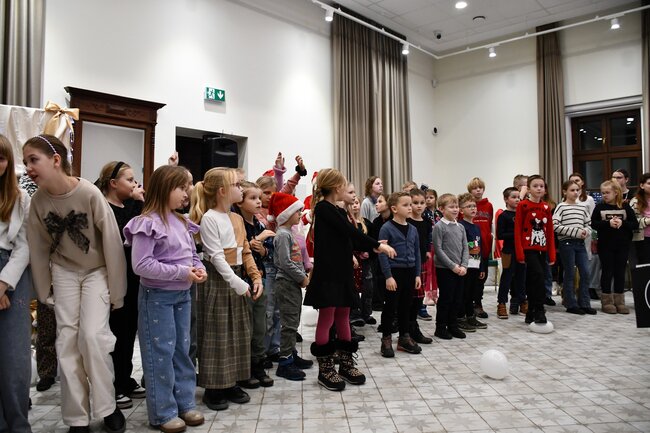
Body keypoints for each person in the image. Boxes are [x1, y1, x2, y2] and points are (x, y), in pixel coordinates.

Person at [25, 134, 126, 433]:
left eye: (34, 160)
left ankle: (107, 407)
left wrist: (117, 291)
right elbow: (38, 246)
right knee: (66, 342)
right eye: (26, 161)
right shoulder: (38, 201)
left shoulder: (89, 193)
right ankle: (76, 418)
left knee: (93, 338)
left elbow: (112, 241)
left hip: (96, 271)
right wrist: (44, 289)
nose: (28, 167)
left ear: (56, 160)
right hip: (64, 271)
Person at [124, 165, 205, 432]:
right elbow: (141, 265)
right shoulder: (147, 223)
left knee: (182, 349)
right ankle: (163, 411)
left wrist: (198, 268)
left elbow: (191, 255)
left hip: (183, 294)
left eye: (188, 186)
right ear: (164, 188)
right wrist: (182, 272)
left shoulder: (181, 221)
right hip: (157, 297)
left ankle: (185, 403)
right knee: (161, 352)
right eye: (181, 187)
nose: (187, 192)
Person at [305, 169, 395, 391]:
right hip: (328, 276)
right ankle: (325, 369)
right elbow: (349, 232)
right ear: (337, 188)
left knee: (344, 316)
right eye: (346, 186)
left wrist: (371, 246)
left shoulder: (337, 210)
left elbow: (349, 239)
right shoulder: (324, 209)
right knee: (327, 317)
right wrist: (377, 245)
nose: (350, 192)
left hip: (343, 273)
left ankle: (345, 364)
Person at [190, 168, 263, 410]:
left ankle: (232, 381)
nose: (240, 189)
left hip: (236, 278)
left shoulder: (237, 219)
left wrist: (255, 277)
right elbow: (217, 257)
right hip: (219, 280)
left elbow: (245, 251)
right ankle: (214, 387)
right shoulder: (210, 218)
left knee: (238, 331)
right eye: (236, 185)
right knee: (217, 333)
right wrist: (238, 283)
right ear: (222, 191)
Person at [96, 161, 146, 409]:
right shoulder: (103, 207)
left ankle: (125, 379)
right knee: (114, 333)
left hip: (133, 278)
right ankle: (113, 385)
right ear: (113, 183)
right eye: (130, 180)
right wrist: (137, 203)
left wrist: (138, 203)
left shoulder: (132, 206)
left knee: (128, 332)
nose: (135, 184)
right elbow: (122, 235)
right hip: (112, 278)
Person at [0, 134, 32, 433]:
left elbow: (24, 246)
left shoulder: (20, 198)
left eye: (1, 158)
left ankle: (19, 424)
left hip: (13, 271)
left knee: (14, 356)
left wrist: (3, 283)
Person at [233, 181, 275, 388]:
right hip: (243, 282)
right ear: (240, 202)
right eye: (253, 198)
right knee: (246, 327)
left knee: (260, 325)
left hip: (261, 279)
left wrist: (263, 249)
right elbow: (237, 250)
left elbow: (268, 252)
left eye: (259, 198)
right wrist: (257, 240)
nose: (259, 202)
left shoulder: (260, 224)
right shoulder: (236, 223)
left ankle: (258, 364)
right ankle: (245, 368)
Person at [267, 192, 313, 380]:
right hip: (286, 283)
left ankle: (291, 354)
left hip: (292, 282)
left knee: (294, 320)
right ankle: (285, 363)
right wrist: (302, 277)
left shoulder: (288, 233)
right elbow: (285, 262)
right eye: (297, 211)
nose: (300, 214)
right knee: (289, 323)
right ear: (286, 214)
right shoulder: (282, 235)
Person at [378, 192, 422, 357]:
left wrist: (417, 274)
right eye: (406, 205)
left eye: (410, 205)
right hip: (394, 273)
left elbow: (417, 252)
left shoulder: (413, 229)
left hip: (410, 272)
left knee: (406, 306)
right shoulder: (386, 228)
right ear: (394, 209)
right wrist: (388, 276)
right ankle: (386, 338)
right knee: (390, 307)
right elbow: (382, 254)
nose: (410, 208)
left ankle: (404, 337)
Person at [591, 180, 637, 314]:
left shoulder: (625, 206)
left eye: (607, 193)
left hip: (622, 245)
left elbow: (634, 224)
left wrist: (622, 223)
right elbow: (593, 223)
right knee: (607, 272)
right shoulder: (599, 207)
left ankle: (620, 301)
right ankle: (607, 302)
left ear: (616, 192)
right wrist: (607, 223)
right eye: (603, 193)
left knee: (620, 272)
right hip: (605, 245)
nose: (604, 195)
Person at [514, 175, 556, 325]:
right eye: (535, 186)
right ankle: (539, 309)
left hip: (542, 249)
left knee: (535, 280)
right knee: (538, 276)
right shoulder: (523, 205)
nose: (539, 188)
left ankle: (530, 311)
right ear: (529, 189)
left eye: (541, 186)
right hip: (528, 249)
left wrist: (551, 253)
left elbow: (549, 231)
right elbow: (518, 230)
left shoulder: (546, 207)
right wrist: (520, 253)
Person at [553, 180, 596, 315]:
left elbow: (589, 224)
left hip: (580, 244)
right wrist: (575, 232)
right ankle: (570, 303)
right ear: (565, 192)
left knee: (585, 272)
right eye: (572, 190)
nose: (576, 192)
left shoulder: (583, 207)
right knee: (570, 273)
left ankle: (584, 303)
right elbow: (555, 225)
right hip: (566, 244)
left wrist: (586, 231)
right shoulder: (561, 207)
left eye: (577, 190)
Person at [432, 193, 469, 340]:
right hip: (445, 269)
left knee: (457, 299)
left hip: (460, 269)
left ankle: (453, 325)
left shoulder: (460, 227)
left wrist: (464, 265)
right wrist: (452, 266)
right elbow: (438, 249)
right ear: (441, 209)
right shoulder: (439, 227)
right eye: (451, 207)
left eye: (456, 207)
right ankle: (440, 327)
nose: (455, 209)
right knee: (446, 299)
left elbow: (465, 247)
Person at [405, 188, 433, 344]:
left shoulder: (427, 222)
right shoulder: (407, 222)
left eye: (422, 202)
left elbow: (428, 239)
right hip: (409, 264)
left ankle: (413, 325)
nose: (419, 206)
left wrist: (428, 251)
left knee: (419, 296)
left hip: (421, 262)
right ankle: (407, 328)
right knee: (410, 297)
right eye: (415, 203)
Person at [456, 193, 488, 332]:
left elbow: (479, 248)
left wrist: (481, 267)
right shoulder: (460, 226)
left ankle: (471, 316)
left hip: (475, 264)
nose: (473, 208)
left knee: (472, 293)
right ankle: (460, 317)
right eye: (469, 206)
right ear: (461, 210)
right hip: (465, 265)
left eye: (474, 206)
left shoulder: (476, 227)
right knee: (463, 293)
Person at [496, 187, 527, 318]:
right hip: (508, 251)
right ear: (506, 199)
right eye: (513, 197)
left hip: (521, 251)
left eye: (518, 197)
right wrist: (517, 234)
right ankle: (501, 303)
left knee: (521, 277)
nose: (517, 199)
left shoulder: (522, 214)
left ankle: (522, 301)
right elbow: (500, 235)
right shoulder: (503, 216)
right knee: (507, 277)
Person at [568, 172, 599, 300]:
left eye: (577, 180)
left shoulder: (588, 199)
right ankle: (571, 292)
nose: (575, 183)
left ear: (582, 183)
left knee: (586, 263)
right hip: (570, 235)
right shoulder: (566, 199)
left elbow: (592, 218)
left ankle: (587, 289)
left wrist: (591, 235)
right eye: (572, 181)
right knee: (571, 265)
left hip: (585, 234)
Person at [466, 177, 493, 318]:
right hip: (471, 248)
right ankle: (469, 304)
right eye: (475, 188)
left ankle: (478, 303)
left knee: (482, 277)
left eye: (480, 187)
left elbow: (489, 225)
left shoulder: (489, 206)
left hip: (485, 247)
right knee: (471, 278)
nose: (478, 190)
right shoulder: (467, 206)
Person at [630, 173, 650, 264]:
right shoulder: (635, 201)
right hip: (642, 239)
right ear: (642, 185)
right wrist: (647, 221)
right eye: (649, 183)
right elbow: (631, 221)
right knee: (645, 265)